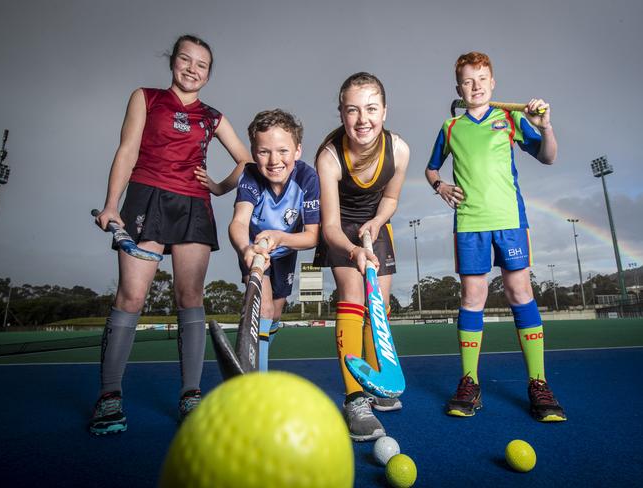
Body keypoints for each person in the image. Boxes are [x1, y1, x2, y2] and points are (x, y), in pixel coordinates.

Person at [89, 34, 251, 435]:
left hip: (194, 205)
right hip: (146, 197)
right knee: (131, 296)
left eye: (201, 65)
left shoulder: (213, 116)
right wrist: (112, 204)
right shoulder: (145, 97)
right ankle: (110, 396)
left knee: (190, 297)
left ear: (209, 74)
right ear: (173, 62)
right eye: (186, 60)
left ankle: (190, 394)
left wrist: (217, 187)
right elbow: (127, 150)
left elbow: (247, 162)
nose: (192, 69)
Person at [425, 51, 566, 422]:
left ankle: (538, 384)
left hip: (509, 221)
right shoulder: (450, 127)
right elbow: (430, 168)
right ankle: (469, 382)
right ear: (459, 88)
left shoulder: (512, 118)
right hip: (470, 223)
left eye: (482, 79)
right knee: (473, 296)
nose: (475, 87)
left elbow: (549, 157)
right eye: (468, 81)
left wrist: (546, 125)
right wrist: (440, 186)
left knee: (521, 292)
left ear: (493, 83)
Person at [314, 72, 410, 441]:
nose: (362, 119)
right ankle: (354, 399)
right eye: (352, 110)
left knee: (379, 307)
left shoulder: (399, 150)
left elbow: (390, 199)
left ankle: (377, 382)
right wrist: (354, 249)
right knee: (353, 297)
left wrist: (375, 224)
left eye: (371, 108)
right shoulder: (329, 157)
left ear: (384, 110)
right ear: (341, 113)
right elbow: (331, 226)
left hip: (375, 223)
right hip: (341, 231)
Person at [224, 109, 320, 371]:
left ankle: (264, 339)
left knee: (275, 313)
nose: (274, 160)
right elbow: (239, 222)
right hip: (255, 251)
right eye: (264, 151)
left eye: (282, 151)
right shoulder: (250, 177)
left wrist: (280, 237)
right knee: (263, 310)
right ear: (254, 153)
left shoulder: (308, 178)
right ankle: (258, 381)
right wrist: (246, 248)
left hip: (286, 249)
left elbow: (312, 236)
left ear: (297, 151)